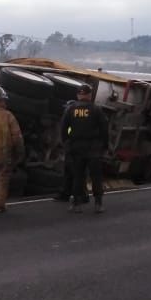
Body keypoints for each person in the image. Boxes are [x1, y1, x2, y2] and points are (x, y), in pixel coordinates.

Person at [60, 82, 109, 213]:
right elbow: (105, 130)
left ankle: (76, 204)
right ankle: (98, 204)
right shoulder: (96, 110)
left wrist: (66, 144)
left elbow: (63, 129)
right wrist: (105, 146)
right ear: (90, 95)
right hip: (94, 148)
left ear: (78, 95)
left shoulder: (70, 109)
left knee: (78, 176)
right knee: (96, 177)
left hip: (76, 148)